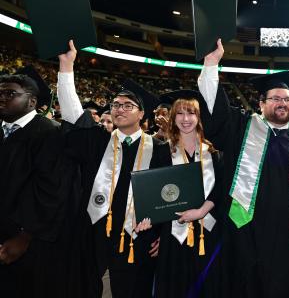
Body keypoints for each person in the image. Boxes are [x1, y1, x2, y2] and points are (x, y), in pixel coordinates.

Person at [197, 39, 289, 298]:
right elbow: (215, 112)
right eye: (275, 98)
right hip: (245, 233)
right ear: (262, 103)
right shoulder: (242, 127)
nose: (282, 103)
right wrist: (211, 65)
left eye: (287, 99)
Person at [57, 40, 171, 298]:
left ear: (142, 114)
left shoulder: (161, 151)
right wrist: (66, 67)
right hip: (94, 235)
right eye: (115, 105)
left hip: (138, 239)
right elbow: (73, 115)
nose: (119, 109)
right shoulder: (98, 142)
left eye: (127, 105)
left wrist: (165, 235)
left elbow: (170, 197)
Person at [145, 90, 223, 298]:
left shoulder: (214, 153)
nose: (186, 119)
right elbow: (154, 195)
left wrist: (201, 211)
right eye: (180, 113)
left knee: (208, 287)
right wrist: (157, 235)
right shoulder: (162, 151)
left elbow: (222, 189)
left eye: (191, 113)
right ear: (173, 117)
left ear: (199, 117)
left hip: (208, 232)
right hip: (173, 236)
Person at [0, 69, 69, 297]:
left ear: (31, 101)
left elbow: (50, 191)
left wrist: (25, 235)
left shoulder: (49, 133)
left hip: (25, 240)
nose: (2, 97)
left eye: (10, 94)